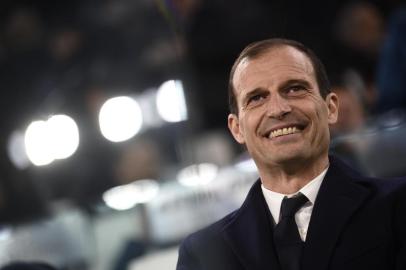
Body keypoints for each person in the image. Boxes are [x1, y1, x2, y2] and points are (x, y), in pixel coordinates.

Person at [176, 38, 406, 270]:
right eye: (257, 98)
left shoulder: (397, 206)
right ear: (237, 128)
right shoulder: (204, 254)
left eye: (294, 89)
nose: (278, 109)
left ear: (331, 108)